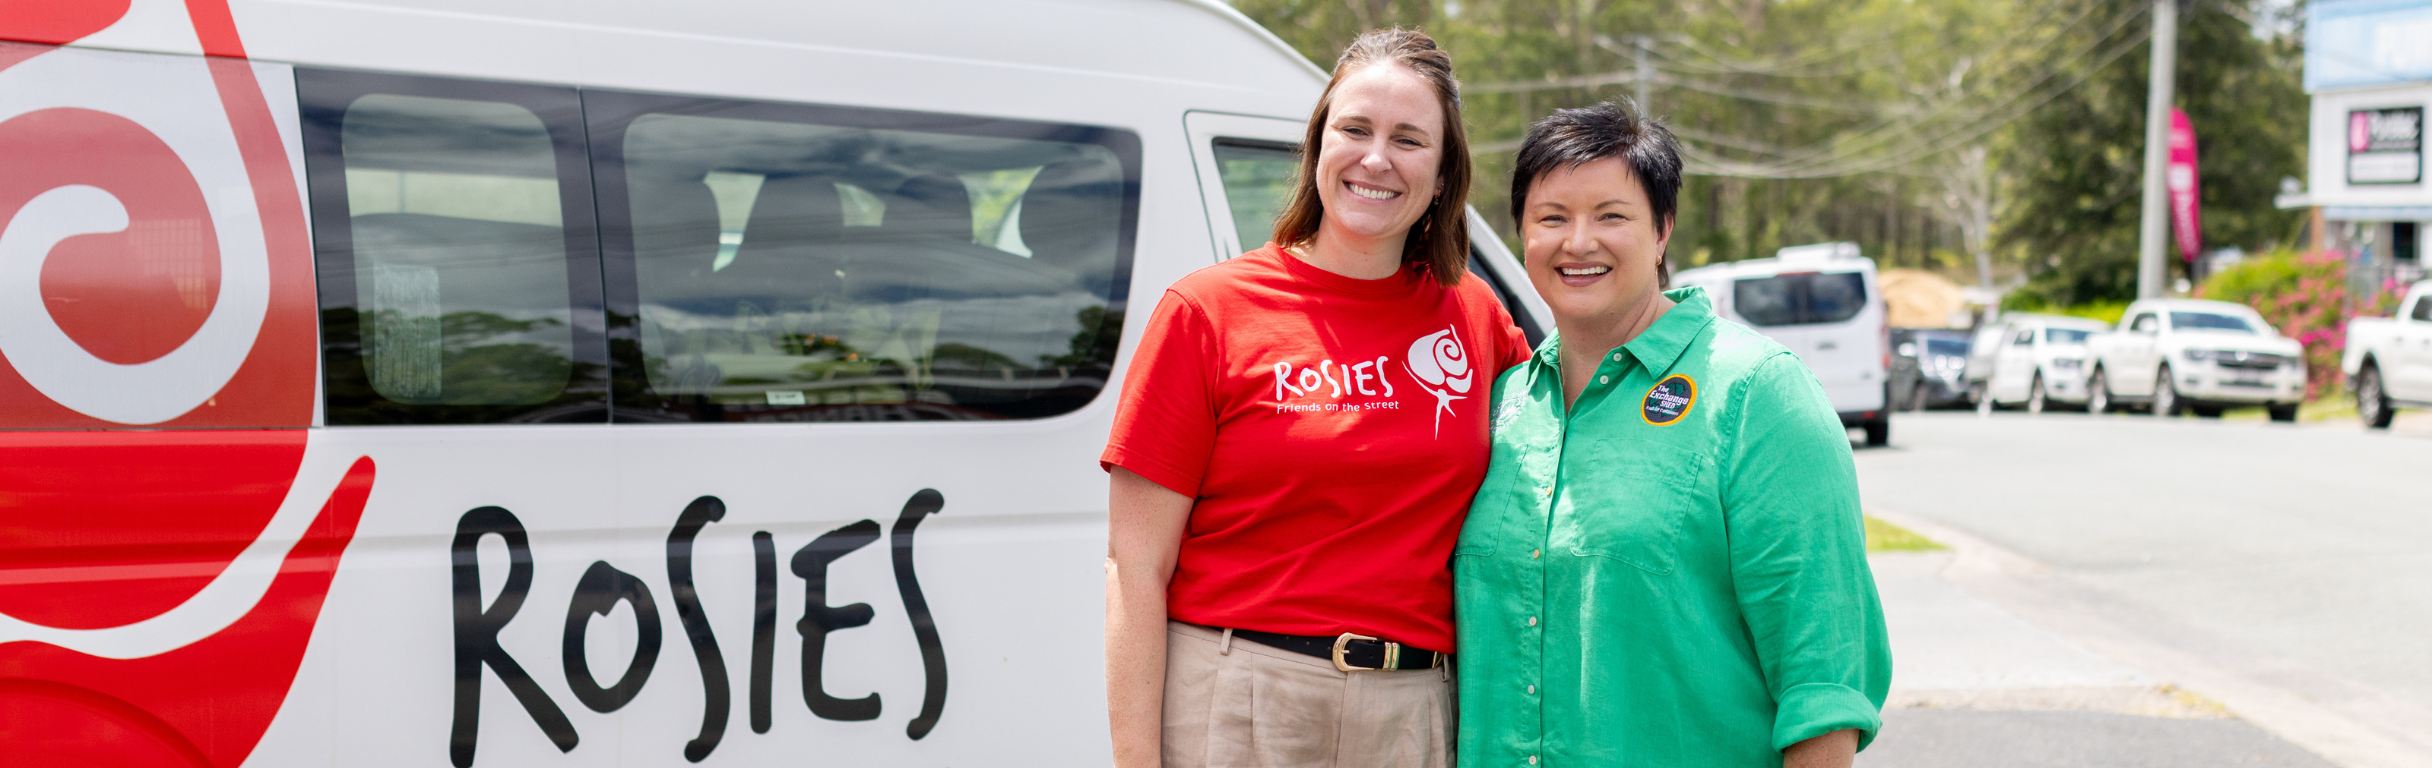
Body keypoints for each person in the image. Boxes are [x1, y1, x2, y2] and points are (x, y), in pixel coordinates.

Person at [1099, 27, 1530, 768]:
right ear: (1317, 146)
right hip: (1242, 699)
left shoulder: (1475, 314)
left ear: (1442, 173)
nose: (1376, 158)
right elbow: (1134, 569)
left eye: (1408, 139)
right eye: (1354, 129)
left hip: (1417, 709)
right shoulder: (1207, 311)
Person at [1454, 101, 1891, 768]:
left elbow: (1823, 680)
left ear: (1662, 231)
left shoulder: (1756, 394)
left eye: (1611, 215)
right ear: (1521, 234)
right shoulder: (1503, 405)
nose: (1578, 242)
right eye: (1551, 218)